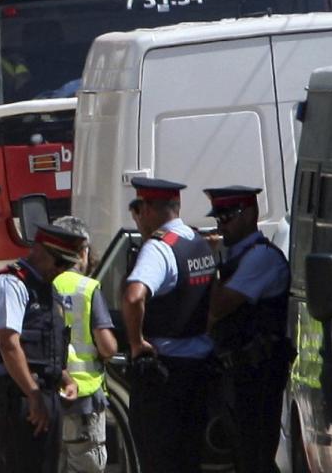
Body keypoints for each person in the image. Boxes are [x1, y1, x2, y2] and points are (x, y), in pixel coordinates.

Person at [120, 177, 217, 473]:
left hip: (164, 376)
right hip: (200, 370)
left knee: (158, 461)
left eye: (137, 209)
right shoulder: (197, 241)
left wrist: (136, 344)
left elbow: (134, 297)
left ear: (147, 208)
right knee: (190, 459)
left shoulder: (159, 248)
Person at [205, 185, 294, 473]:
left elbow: (219, 306)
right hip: (238, 372)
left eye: (228, 217)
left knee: (255, 455)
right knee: (243, 456)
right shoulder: (237, 256)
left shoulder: (260, 257)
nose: (222, 225)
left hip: (259, 372)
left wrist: (206, 261)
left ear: (250, 214)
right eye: (219, 219)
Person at [0, 224, 81, 473]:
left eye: (67, 265)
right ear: (39, 250)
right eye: (59, 262)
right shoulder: (10, 285)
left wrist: (63, 377)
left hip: (43, 393)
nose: (62, 270)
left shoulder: (46, 289)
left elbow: (47, 341)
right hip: (20, 395)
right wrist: (33, 393)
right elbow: (8, 344)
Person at [50, 216, 117, 473]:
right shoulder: (87, 288)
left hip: (50, 396)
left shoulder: (45, 285)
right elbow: (107, 346)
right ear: (83, 251)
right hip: (85, 398)